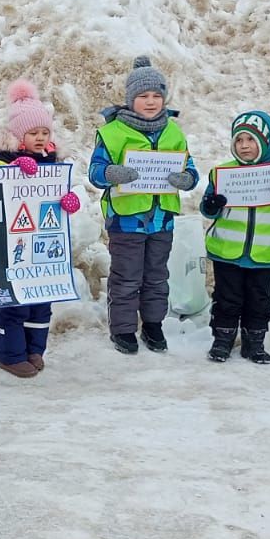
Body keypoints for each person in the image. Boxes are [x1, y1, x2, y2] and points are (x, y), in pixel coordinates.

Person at [89, 55, 198, 355]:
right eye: (143, 96)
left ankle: (153, 324)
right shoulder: (112, 133)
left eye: (156, 96)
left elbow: (193, 172)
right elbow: (95, 172)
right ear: (130, 99)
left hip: (162, 219)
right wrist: (113, 173)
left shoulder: (174, 133)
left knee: (157, 276)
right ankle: (123, 329)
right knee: (126, 276)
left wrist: (185, 179)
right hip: (126, 220)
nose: (150, 102)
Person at [0, 80, 81, 377]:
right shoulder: (2, 160)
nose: (40, 138)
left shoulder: (54, 160)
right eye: (33, 133)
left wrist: (66, 200)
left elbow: (56, 193)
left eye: (45, 132)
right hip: (11, 241)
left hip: (43, 242)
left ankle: (34, 350)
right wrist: (15, 170)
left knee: (41, 299)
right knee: (14, 300)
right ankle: (11, 355)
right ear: (17, 136)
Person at [199, 110, 270, 364]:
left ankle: (254, 343)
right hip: (227, 250)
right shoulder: (222, 172)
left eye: (251, 140)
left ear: (267, 142)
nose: (244, 146)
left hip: (265, 251)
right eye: (239, 140)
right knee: (226, 297)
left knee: (259, 299)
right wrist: (212, 204)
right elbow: (206, 208)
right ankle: (222, 340)